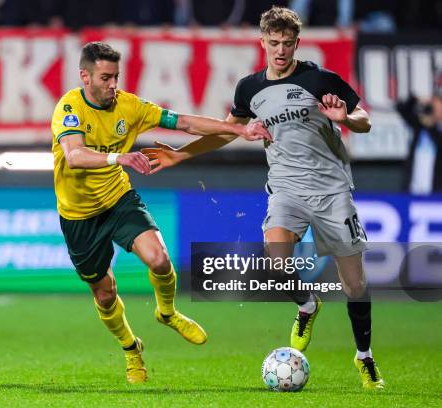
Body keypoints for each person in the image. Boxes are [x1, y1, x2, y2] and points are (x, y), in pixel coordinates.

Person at [142, 6, 385, 390]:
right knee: (275, 261)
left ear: (297, 43)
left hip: (331, 189)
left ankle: (364, 357)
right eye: (274, 43)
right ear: (263, 42)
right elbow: (226, 132)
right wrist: (178, 154)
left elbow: (365, 120)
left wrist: (345, 120)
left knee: (354, 284)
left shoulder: (321, 78)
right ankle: (307, 304)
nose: (281, 51)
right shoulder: (249, 89)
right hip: (285, 188)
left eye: (288, 43)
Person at [51, 42, 270, 384]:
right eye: (105, 78)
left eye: (116, 77)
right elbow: (75, 156)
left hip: (117, 198)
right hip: (78, 216)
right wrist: (119, 158)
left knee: (159, 260)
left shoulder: (130, 106)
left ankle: (167, 312)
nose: (113, 84)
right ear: (85, 76)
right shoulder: (69, 108)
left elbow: (183, 122)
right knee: (105, 292)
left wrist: (238, 129)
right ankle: (130, 348)